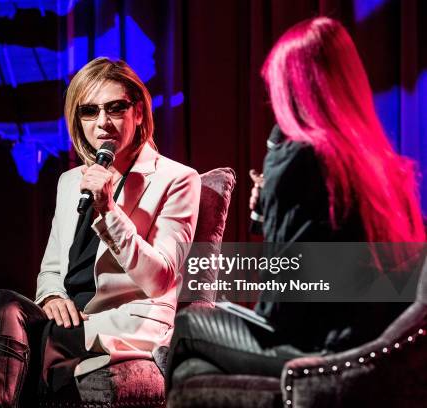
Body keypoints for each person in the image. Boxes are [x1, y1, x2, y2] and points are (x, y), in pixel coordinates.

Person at [166, 16, 425, 382]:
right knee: (195, 370)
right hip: (373, 351)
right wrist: (268, 212)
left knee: (190, 321)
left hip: (322, 353)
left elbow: (280, 306)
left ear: (292, 89)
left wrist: (275, 187)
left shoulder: (301, 158)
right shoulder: (380, 167)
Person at [0, 57, 201, 407]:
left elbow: (160, 279)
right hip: (67, 317)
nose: (103, 122)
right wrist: (51, 298)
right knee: (1, 302)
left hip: (122, 321)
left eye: (115, 108)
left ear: (138, 112)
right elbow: (51, 269)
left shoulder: (177, 179)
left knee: (26, 348)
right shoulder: (70, 181)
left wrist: (108, 209)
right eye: (89, 111)